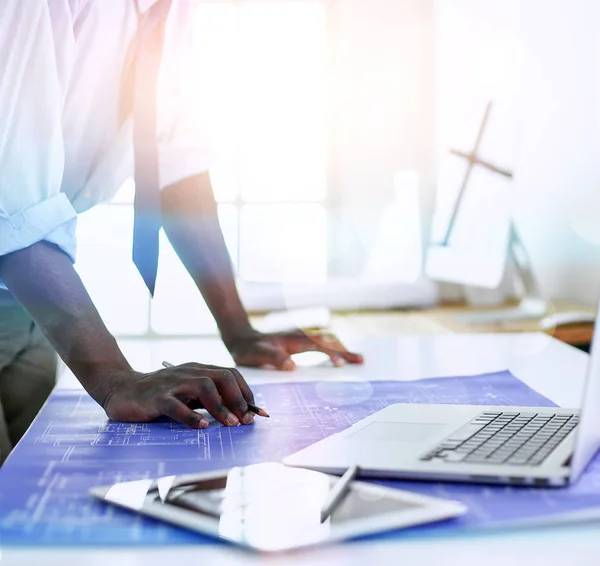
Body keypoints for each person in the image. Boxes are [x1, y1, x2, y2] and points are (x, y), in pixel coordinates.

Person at [0, 0, 363, 465]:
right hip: (28, 266)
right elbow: (9, 199)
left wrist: (239, 329)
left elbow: (175, 161)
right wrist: (115, 380)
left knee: (21, 508)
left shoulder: (166, 11)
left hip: (31, 291)